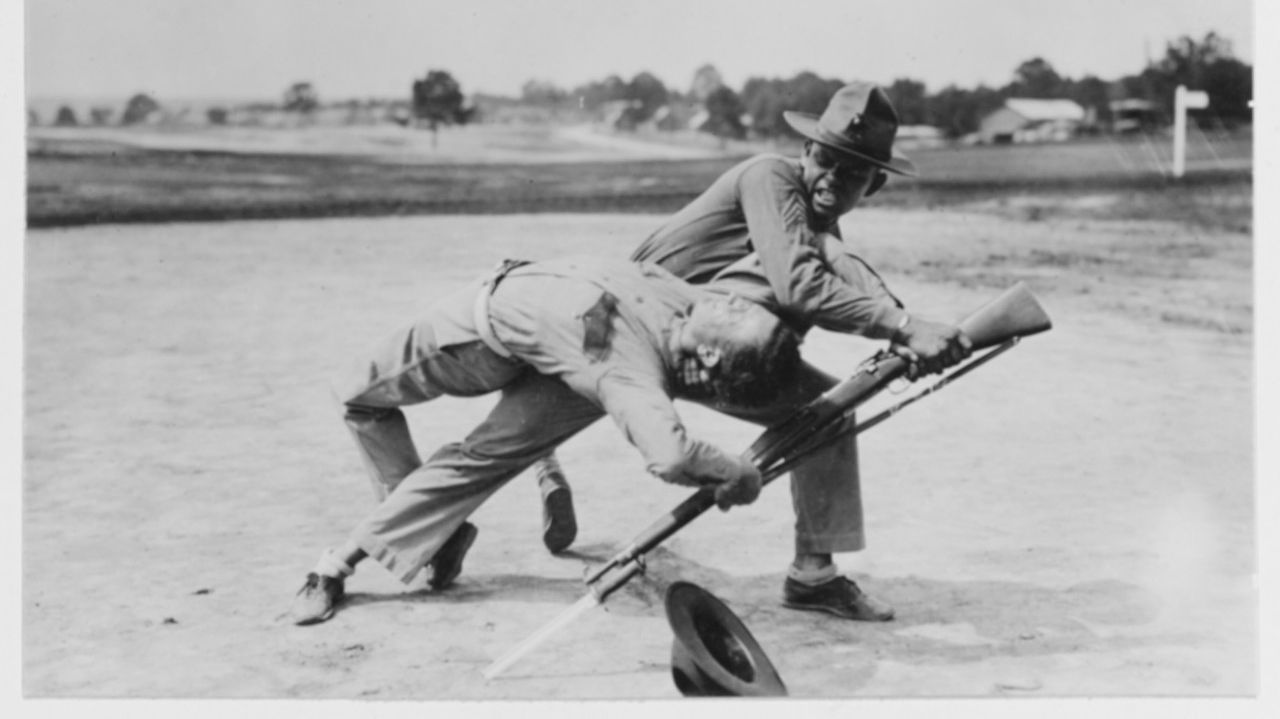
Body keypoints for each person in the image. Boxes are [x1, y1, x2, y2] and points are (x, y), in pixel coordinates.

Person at [543, 81, 974, 621]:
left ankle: (814, 576)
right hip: (626, 328)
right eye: (827, 160)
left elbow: (842, 264)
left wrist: (904, 326)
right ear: (805, 152)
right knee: (516, 435)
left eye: (853, 172)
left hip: (691, 346)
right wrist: (904, 326)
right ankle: (521, 479)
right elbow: (803, 286)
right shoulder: (771, 177)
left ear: (875, 185)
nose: (834, 179)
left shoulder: (815, 222)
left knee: (825, 416)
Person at [291, 255, 802, 625]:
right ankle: (435, 534)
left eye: (737, 314)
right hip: (556, 356)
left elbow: (669, 455)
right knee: (477, 462)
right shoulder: (692, 304)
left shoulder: (627, 373)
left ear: (712, 357)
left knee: (357, 396)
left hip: (477, 338)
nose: (731, 299)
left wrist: (738, 472)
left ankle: (336, 566)